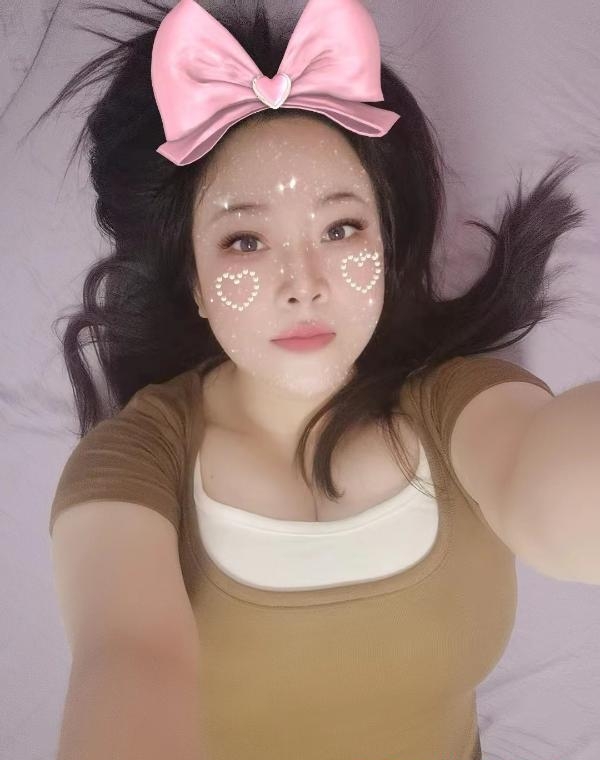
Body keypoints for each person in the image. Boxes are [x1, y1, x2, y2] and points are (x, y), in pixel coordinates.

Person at [35, 1, 586, 758]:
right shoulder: (134, 462)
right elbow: (128, 661)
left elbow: (562, 498)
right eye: (246, 240)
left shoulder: (462, 405)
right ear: (192, 279)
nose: (304, 284)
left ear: (387, 246)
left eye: (340, 228)